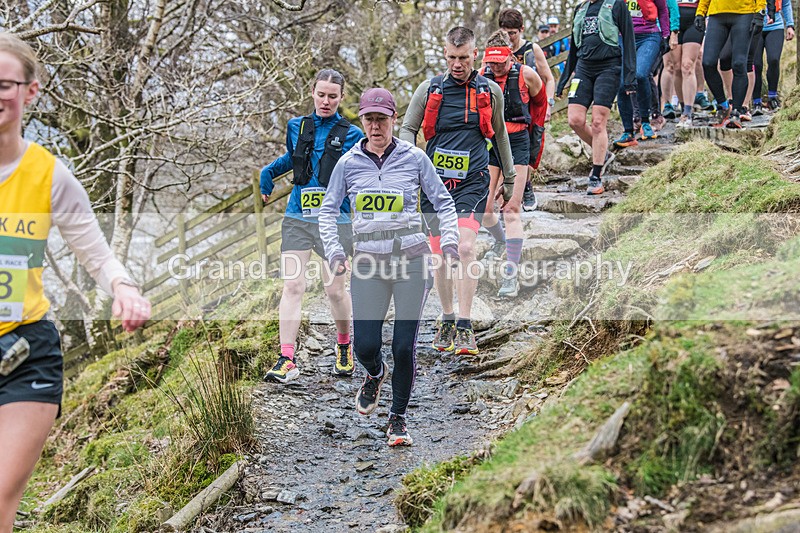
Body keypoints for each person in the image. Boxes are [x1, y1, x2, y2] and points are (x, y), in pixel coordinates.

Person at [0, 33, 151, 532]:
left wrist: (123, 288)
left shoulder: (49, 174)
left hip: (25, 352)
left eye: (5, 84)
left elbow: (94, 249)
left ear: (30, 92)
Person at [319, 88, 459, 447]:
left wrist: (450, 241)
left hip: (411, 259)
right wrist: (335, 251)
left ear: (394, 120)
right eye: (370, 119)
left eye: (382, 119)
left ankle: (398, 418)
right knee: (365, 345)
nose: (376, 126)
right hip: (367, 263)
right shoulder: (348, 163)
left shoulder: (414, 158)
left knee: (403, 346)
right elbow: (327, 211)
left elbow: (443, 202)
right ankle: (374, 373)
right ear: (362, 121)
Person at [400, 26, 517, 356]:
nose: (457, 64)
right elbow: (408, 128)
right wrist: (411, 165)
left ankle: (465, 325)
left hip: (473, 182)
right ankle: (448, 316)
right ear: (445, 55)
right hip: (434, 187)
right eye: (451, 57)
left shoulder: (489, 91)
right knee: (440, 257)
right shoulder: (430, 89)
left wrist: (508, 179)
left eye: (463, 58)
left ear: (474, 55)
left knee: (465, 248)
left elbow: (501, 137)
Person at [259, 69, 364, 383]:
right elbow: (295, 159)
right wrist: (268, 173)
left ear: (341, 97)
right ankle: (286, 358)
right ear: (313, 93)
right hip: (298, 218)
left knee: (334, 290)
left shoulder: (353, 135)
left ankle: (344, 346)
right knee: (293, 286)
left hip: (336, 221)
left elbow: (362, 175)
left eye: (333, 96)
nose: (326, 101)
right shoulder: (297, 126)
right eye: (321, 94)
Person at [480, 31, 548, 298]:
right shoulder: (482, 75)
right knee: (485, 210)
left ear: (510, 54)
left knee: (511, 209)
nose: (495, 67)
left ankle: (511, 275)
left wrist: (533, 157)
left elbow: (540, 111)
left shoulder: (526, 75)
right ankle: (499, 240)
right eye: (491, 62)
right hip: (493, 144)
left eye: (500, 62)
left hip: (518, 141)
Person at [557, 0, 636, 195]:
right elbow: (574, 48)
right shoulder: (580, 9)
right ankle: (604, 153)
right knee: (575, 120)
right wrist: (564, 79)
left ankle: (596, 175)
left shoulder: (616, 5)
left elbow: (629, 40)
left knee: (598, 122)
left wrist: (629, 77)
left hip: (609, 67)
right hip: (584, 67)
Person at [498, 8, 556, 211]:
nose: (509, 38)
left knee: (532, 149)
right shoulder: (497, 52)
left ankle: (527, 185)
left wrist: (549, 103)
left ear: (521, 30)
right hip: (507, 109)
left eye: (512, 33)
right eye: (505, 33)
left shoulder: (532, 50)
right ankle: (516, 189)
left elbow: (549, 79)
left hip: (532, 106)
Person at [695, 0, 773, 128]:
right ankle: (724, 106)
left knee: (739, 64)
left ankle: (736, 112)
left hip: (744, 13)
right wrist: (700, 12)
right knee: (708, 62)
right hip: (717, 14)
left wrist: (760, 13)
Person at [613, 0, 672, 147]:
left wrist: (666, 35)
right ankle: (628, 131)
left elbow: (663, 9)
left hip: (649, 35)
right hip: (623, 36)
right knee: (622, 82)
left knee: (640, 74)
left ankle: (645, 122)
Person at [669, 0, 708, 126]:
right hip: (674, 17)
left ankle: (688, 111)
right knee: (677, 68)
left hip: (694, 18)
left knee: (687, 65)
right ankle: (682, 106)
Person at [751, 0, 794, 113]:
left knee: (774, 59)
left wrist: (790, 25)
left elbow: (786, 3)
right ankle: (756, 101)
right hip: (754, 24)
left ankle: (772, 97)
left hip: (776, 26)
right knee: (756, 64)